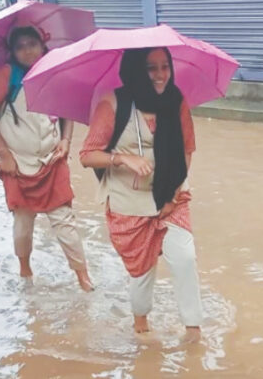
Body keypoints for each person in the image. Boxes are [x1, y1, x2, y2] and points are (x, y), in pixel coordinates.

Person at [80, 47, 203, 343]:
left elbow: (186, 150)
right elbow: (87, 155)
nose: (161, 75)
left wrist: (172, 196)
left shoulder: (176, 101)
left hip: (171, 196)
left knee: (184, 258)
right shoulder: (113, 103)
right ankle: (141, 327)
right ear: (136, 69)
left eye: (165, 67)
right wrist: (122, 159)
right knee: (142, 272)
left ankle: (193, 333)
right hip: (128, 202)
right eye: (152, 68)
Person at [0, 26, 93, 291]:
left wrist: (65, 141)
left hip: (52, 160)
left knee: (65, 221)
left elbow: (67, 111)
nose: (27, 50)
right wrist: (4, 155)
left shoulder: (54, 71)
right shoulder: (6, 75)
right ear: (12, 52)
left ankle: (83, 276)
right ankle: (25, 270)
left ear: (43, 45)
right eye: (20, 46)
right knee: (23, 223)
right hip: (16, 163)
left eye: (32, 44)